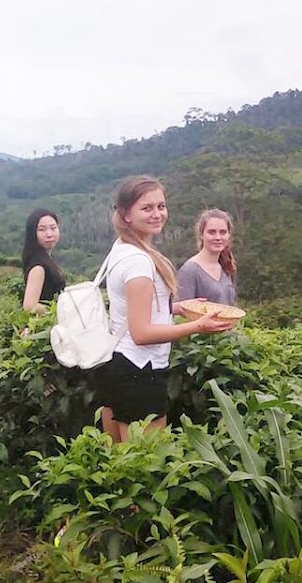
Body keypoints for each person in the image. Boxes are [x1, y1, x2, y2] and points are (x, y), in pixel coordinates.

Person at [95, 175, 234, 443]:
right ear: (125, 215)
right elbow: (141, 332)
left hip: (119, 364)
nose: (157, 214)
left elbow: (133, 307)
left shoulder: (123, 248)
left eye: (161, 206)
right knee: (144, 467)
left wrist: (177, 307)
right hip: (140, 370)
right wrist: (197, 326)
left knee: (118, 464)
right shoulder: (138, 262)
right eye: (147, 208)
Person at [176, 208, 237, 306]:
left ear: (229, 235)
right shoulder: (190, 270)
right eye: (212, 232)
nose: (218, 237)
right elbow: (181, 313)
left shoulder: (227, 267)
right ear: (201, 234)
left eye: (223, 232)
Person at [21, 209, 67, 314]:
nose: (49, 234)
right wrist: (59, 311)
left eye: (53, 228)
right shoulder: (38, 267)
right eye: (42, 230)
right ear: (33, 234)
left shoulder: (47, 259)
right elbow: (29, 306)